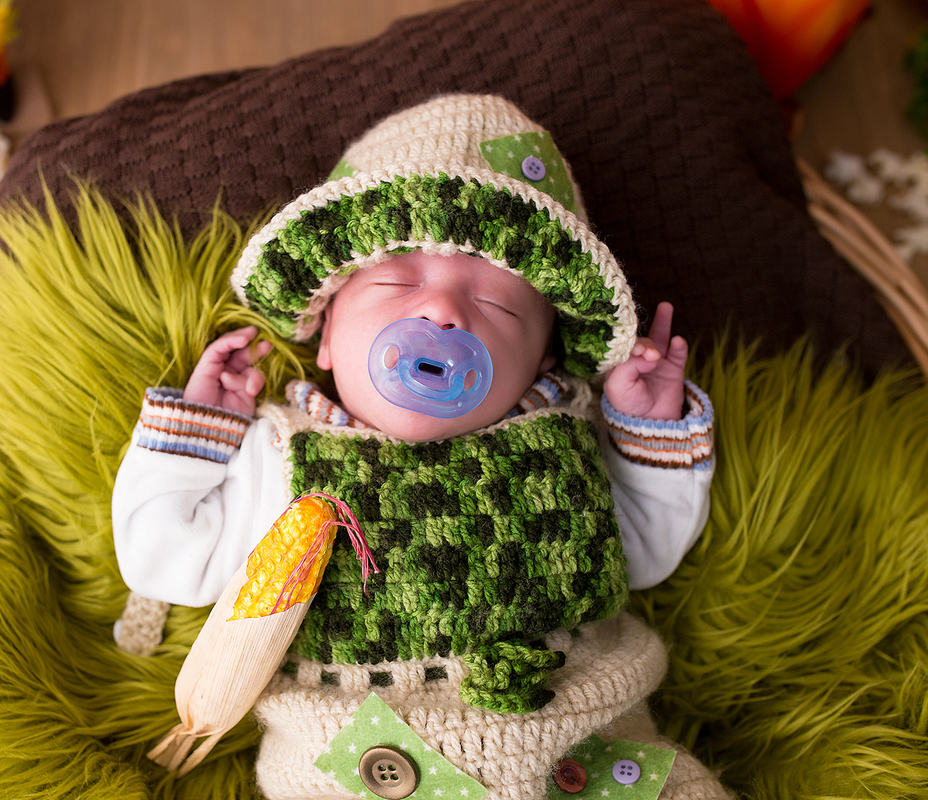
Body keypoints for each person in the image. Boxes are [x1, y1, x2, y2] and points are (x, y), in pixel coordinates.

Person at [112, 94, 727, 799]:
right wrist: (198, 433)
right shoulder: (281, 456)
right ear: (326, 337)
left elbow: (643, 555)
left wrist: (645, 427)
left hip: (588, 755)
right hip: (360, 758)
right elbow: (163, 560)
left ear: (542, 361)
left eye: (496, 303)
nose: (440, 311)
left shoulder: (565, 439)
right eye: (395, 280)